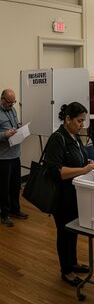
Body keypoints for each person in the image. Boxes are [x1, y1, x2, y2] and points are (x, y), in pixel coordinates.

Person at [43, 102, 94, 287]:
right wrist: (84, 169)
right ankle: (66, 270)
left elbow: (78, 159)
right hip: (62, 196)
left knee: (73, 231)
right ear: (67, 119)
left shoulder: (74, 137)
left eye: (83, 121)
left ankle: (73, 262)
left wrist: (89, 162)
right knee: (64, 233)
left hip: (75, 194)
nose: (82, 125)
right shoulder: (57, 138)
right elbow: (56, 171)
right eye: (79, 121)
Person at [0, 89, 27, 227]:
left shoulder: (13, 110)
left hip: (16, 154)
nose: (12, 105)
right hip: (3, 157)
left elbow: (14, 124)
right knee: (4, 188)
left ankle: (15, 210)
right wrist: (5, 135)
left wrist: (19, 128)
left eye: (13, 102)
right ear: (2, 99)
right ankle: (4, 215)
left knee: (15, 185)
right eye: (9, 102)